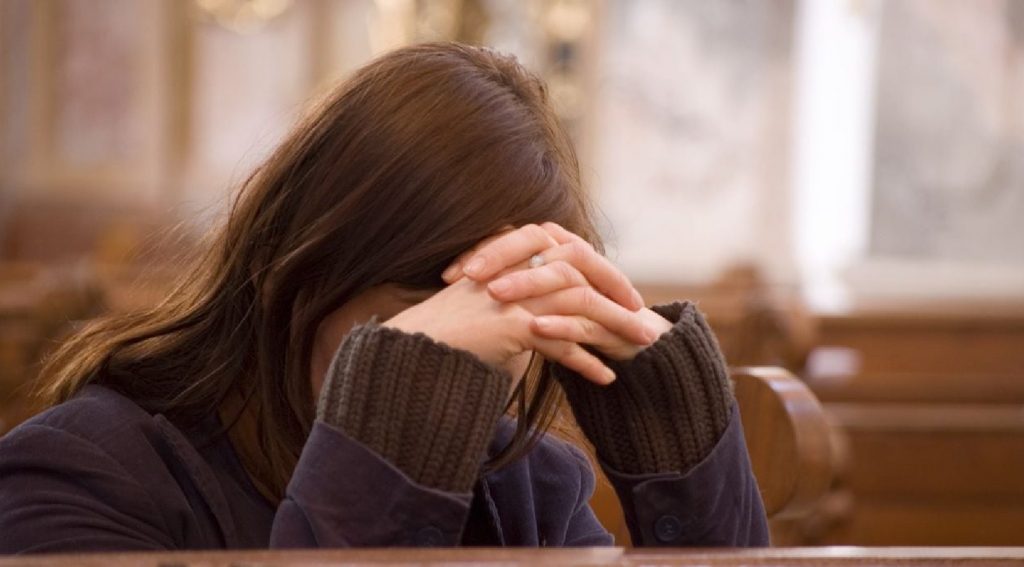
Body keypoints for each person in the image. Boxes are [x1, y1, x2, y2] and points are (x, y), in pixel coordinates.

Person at [0, 42, 767, 553]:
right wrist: (395, 415)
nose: (465, 359)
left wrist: (674, 431)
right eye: (425, 316)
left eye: (505, 318)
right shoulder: (82, 469)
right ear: (298, 264)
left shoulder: (527, 486)